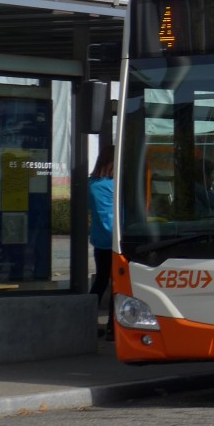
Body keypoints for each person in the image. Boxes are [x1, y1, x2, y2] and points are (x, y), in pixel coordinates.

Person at [88, 146, 115, 341]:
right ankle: (114, 328)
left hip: (100, 241)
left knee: (101, 281)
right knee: (119, 286)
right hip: (116, 240)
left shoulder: (92, 184)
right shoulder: (115, 185)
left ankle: (87, 321)